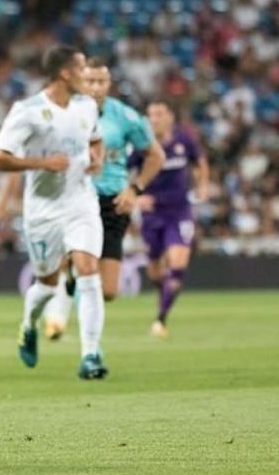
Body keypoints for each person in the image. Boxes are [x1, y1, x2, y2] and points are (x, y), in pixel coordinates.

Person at [0, 46, 109, 380]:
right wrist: (41, 163)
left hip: (81, 203)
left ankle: (91, 354)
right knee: (47, 283)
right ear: (64, 73)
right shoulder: (27, 111)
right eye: (82, 68)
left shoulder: (87, 107)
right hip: (43, 212)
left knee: (87, 270)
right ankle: (28, 324)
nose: (89, 76)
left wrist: (97, 157)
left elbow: (95, 140)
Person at [41, 58, 164, 339]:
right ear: (79, 81)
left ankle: (70, 283)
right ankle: (80, 338)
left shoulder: (127, 117)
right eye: (90, 81)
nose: (95, 87)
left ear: (109, 84)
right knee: (82, 265)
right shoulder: (63, 112)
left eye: (101, 81)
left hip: (112, 202)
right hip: (75, 198)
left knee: (108, 291)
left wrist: (135, 189)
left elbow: (156, 156)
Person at [131, 101, 208, 338]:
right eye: (151, 114)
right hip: (152, 214)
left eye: (160, 113)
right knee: (155, 269)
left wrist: (203, 186)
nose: (155, 118)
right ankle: (161, 296)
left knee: (177, 264)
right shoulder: (140, 144)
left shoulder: (184, 140)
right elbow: (121, 172)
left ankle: (161, 319)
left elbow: (201, 163)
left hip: (179, 211)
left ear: (170, 116)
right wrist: (135, 197)